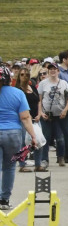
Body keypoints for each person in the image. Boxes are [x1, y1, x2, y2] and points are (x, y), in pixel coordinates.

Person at [1, 66, 42, 210]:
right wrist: (33, 136)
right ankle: (4, 200)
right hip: (13, 133)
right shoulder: (18, 93)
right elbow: (25, 117)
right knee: (10, 166)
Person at [37, 61, 68, 168]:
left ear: (58, 71)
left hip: (60, 114)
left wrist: (65, 109)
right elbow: (39, 100)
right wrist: (40, 112)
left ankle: (61, 157)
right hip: (47, 115)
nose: (52, 71)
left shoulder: (63, 83)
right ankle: (44, 159)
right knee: (45, 138)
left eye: (54, 69)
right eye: (50, 69)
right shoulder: (43, 84)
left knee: (60, 138)